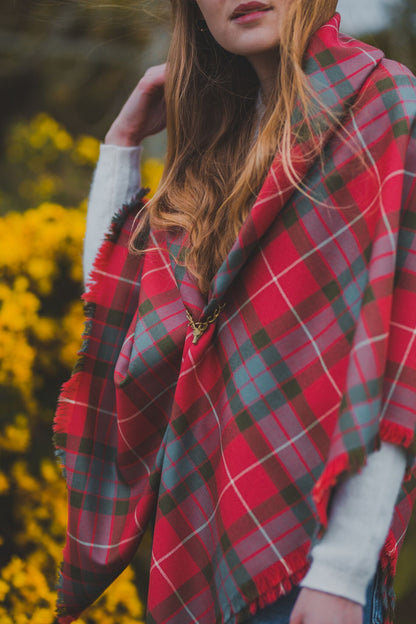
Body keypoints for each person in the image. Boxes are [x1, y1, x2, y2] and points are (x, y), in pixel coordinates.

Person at [53, 1, 416, 623]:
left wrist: (342, 569)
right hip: (212, 536)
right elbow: (131, 330)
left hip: (313, 567)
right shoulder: (220, 144)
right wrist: (121, 148)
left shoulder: (384, 107)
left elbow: (397, 352)